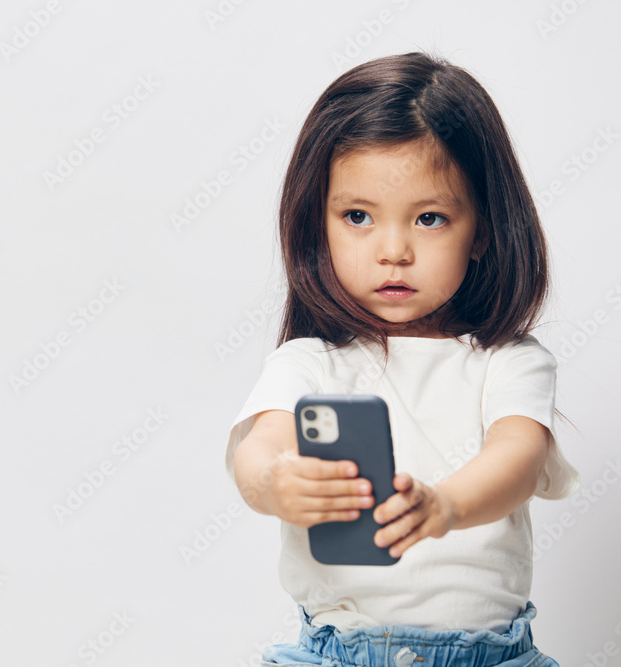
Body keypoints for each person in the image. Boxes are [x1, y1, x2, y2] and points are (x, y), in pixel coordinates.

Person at [225, 51, 581, 667]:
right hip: (337, 654)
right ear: (318, 226)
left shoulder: (510, 362)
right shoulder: (308, 363)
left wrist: (446, 506)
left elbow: (518, 459)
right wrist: (276, 482)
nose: (394, 251)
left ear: (483, 231)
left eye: (430, 218)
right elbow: (259, 451)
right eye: (358, 216)